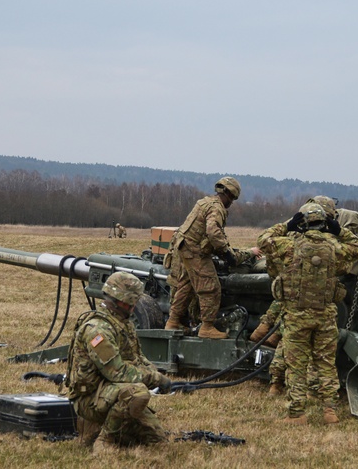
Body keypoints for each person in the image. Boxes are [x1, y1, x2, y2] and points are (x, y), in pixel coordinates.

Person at [258, 202, 358, 425]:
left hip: (297, 316)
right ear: (325, 223)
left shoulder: (289, 246)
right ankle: (330, 412)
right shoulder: (334, 248)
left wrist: (287, 225)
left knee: (296, 366)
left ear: (302, 223)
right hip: (326, 316)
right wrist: (338, 230)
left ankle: (297, 414)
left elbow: (263, 240)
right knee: (326, 364)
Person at [66, 272, 172, 453]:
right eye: (132, 301)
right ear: (121, 301)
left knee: (156, 439)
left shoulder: (123, 323)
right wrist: (155, 378)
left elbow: (137, 358)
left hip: (111, 391)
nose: (135, 305)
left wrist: (153, 371)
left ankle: (103, 429)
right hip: (90, 398)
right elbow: (117, 372)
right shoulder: (97, 330)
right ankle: (104, 440)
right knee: (137, 393)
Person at [165, 177, 251, 339]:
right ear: (228, 195)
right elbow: (212, 231)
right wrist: (226, 252)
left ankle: (173, 322)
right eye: (232, 198)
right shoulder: (217, 208)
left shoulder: (204, 202)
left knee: (186, 286)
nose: (231, 203)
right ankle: (207, 327)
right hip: (195, 250)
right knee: (211, 287)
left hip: (184, 248)